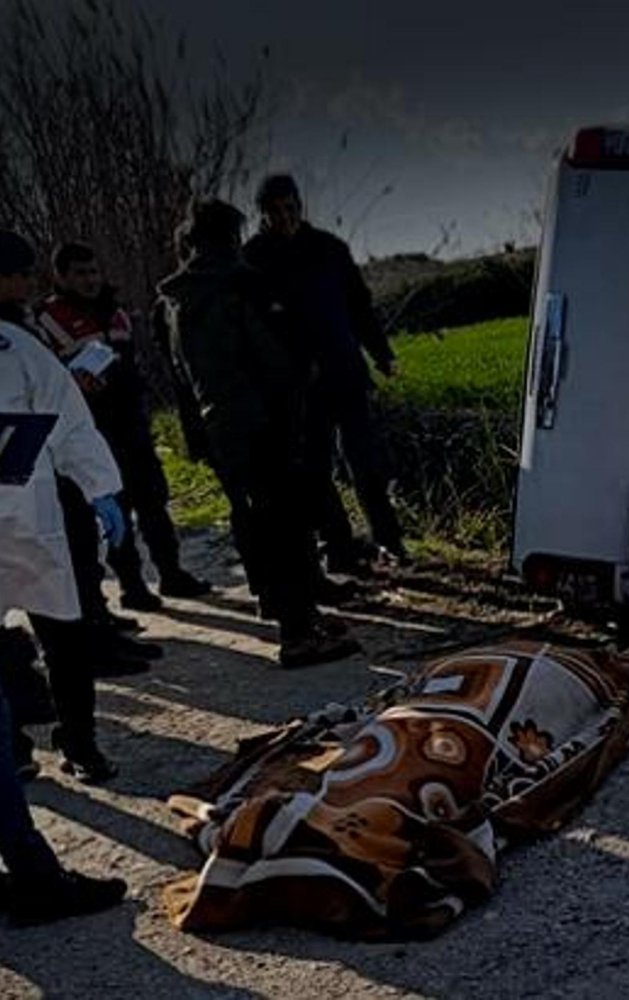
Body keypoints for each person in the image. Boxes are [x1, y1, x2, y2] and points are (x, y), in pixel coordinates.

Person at [157, 200, 360, 668]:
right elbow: (276, 362)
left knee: (255, 521)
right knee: (286, 524)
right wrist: (297, 410)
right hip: (266, 422)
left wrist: (199, 435)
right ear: (232, 235)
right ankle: (298, 634)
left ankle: (291, 610)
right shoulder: (241, 285)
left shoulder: (177, 299)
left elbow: (180, 377)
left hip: (220, 428)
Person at [0, 229, 129, 922]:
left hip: (24, 527)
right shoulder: (20, 345)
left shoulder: (20, 349)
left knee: (62, 635)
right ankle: (29, 862)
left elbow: (69, 423)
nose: (21, 287)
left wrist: (98, 485)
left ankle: (73, 746)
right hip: (19, 523)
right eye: (12, 276)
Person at [34, 243, 211, 611]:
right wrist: (75, 386)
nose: (90, 280)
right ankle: (132, 585)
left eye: (94, 271)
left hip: (132, 423)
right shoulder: (47, 319)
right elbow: (43, 382)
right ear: (61, 277)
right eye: (80, 273)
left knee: (153, 500)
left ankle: (171, 573)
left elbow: (133, 364)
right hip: (89, 431)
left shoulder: (116, 314)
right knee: (112, 507)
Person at [244, 174, 408, 572]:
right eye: (276, 211)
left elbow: (359, 306)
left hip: (346, 371)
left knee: (365, 461)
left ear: (300, 205)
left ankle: (389, 540)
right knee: (315, 468)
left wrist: (382, 354)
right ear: (262, 214)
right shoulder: (254, 260)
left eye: (291, 208)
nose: (285, 217)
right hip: (298, 385)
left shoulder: (329, 249)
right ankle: (338, 546)